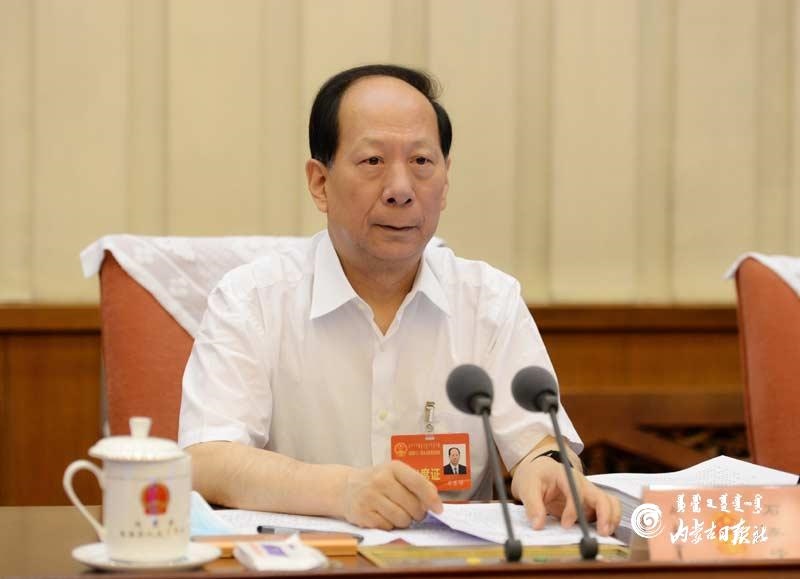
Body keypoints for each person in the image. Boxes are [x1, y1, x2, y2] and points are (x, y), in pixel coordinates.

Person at [178, 64, 621, 535]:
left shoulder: (489, 302)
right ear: (320, 183)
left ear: (445, 181)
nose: (401, 190)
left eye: (421, 162)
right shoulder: (251, 301)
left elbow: (537, 444)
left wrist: (547, 470)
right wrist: (342, 491)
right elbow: (206, 461)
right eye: (373, 161)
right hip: (308, 559)